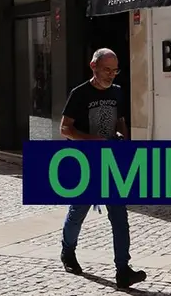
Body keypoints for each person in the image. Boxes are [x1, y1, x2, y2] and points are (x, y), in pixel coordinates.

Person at [58, 48, 146, 289]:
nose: (111, 75)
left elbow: (120, 120)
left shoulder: (117, 92)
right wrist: (91, 140)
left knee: (120, 217)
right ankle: (67, 251)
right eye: (107, 70)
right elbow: (64, 129)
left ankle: (123, 270)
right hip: (86, 163)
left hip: (112, 163)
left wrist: (124, 141)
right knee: (78, 213)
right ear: (93, 66)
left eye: (115, 70)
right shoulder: (79, 94)